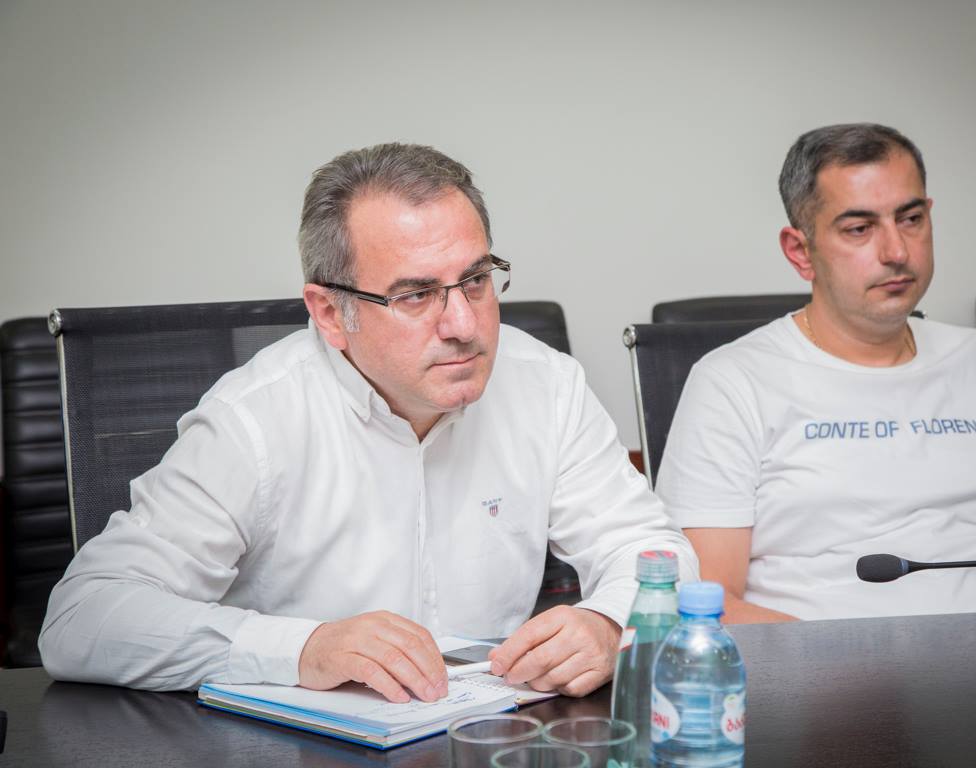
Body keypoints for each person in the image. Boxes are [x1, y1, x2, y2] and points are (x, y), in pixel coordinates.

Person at [40, 143, 698, 701]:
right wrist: (306, 649)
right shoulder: (254, 421)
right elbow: (81, 619)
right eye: (415, 294)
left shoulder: (545, 385)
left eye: (475, 280)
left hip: (489, 733)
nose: (464, 324)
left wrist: (611, 624)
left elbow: (654, 550)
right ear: (330, 313)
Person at [656, 123, 976, 622]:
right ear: (800, 251)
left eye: (910, 219)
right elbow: (705, 604)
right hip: (829, 668)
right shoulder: (732, 381)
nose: (897, 252)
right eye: (859, 229)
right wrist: (852, 666)